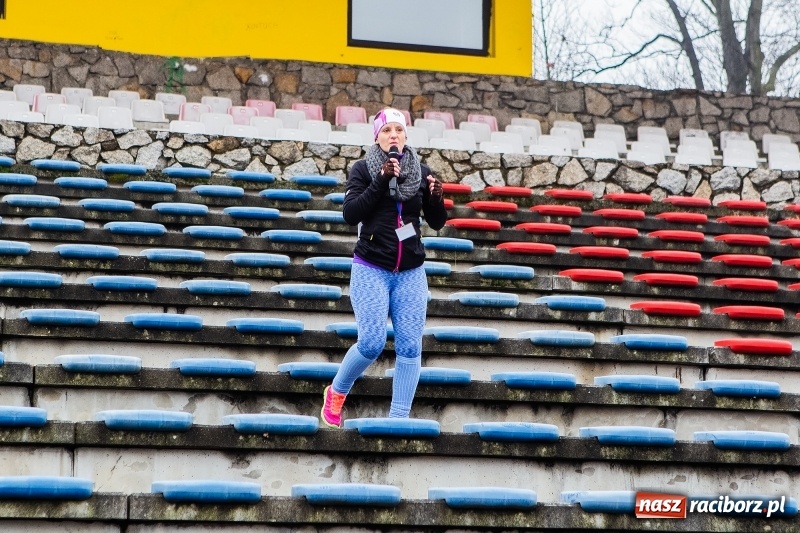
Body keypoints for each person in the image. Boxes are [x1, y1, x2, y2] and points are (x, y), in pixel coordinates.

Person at [320, 107, 447, 428]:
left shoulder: (421, 170)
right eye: (387, 130)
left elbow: (437, 221)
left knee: (409, 346)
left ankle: (398, 419)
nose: (394, 135)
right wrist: (381, 181)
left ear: (406, 136)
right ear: (377, 136)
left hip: (411, 271)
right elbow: (351, 214)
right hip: (371, 267)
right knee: (372, 342)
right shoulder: (363, 169)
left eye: (399, 130)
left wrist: (436, 198)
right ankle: (336, 392)